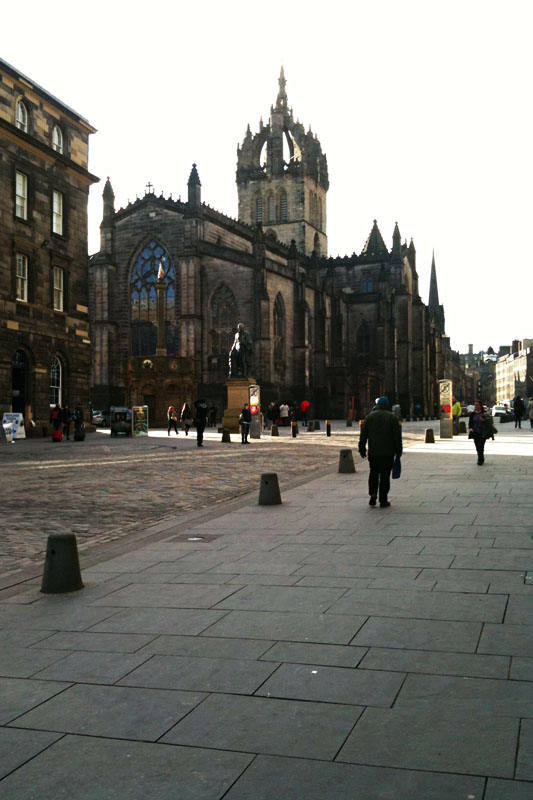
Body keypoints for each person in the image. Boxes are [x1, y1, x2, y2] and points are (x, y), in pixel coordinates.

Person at [358, 396, 402, 508]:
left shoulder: (369, 417)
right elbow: (397, 437)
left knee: (373, 473)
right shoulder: (392, 418)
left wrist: (362, 447)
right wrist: (399, 450)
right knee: (385, 476)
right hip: (387, 453)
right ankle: (383, 500)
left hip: (374, 452)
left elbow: (363, 435)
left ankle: (373, 493)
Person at [468, 400, 493, 465]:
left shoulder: (484, 413)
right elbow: (470, 423)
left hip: (483, 432)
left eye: (477, 405)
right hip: (475, 432)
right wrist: (470, 428)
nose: (476, 406)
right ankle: (481, 457)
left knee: (481, 445)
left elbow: (490, 422)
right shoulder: (472, 414)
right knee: (477, 446)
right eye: (475, 405)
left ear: (480, 406)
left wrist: (484, 420)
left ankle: (480, 459)